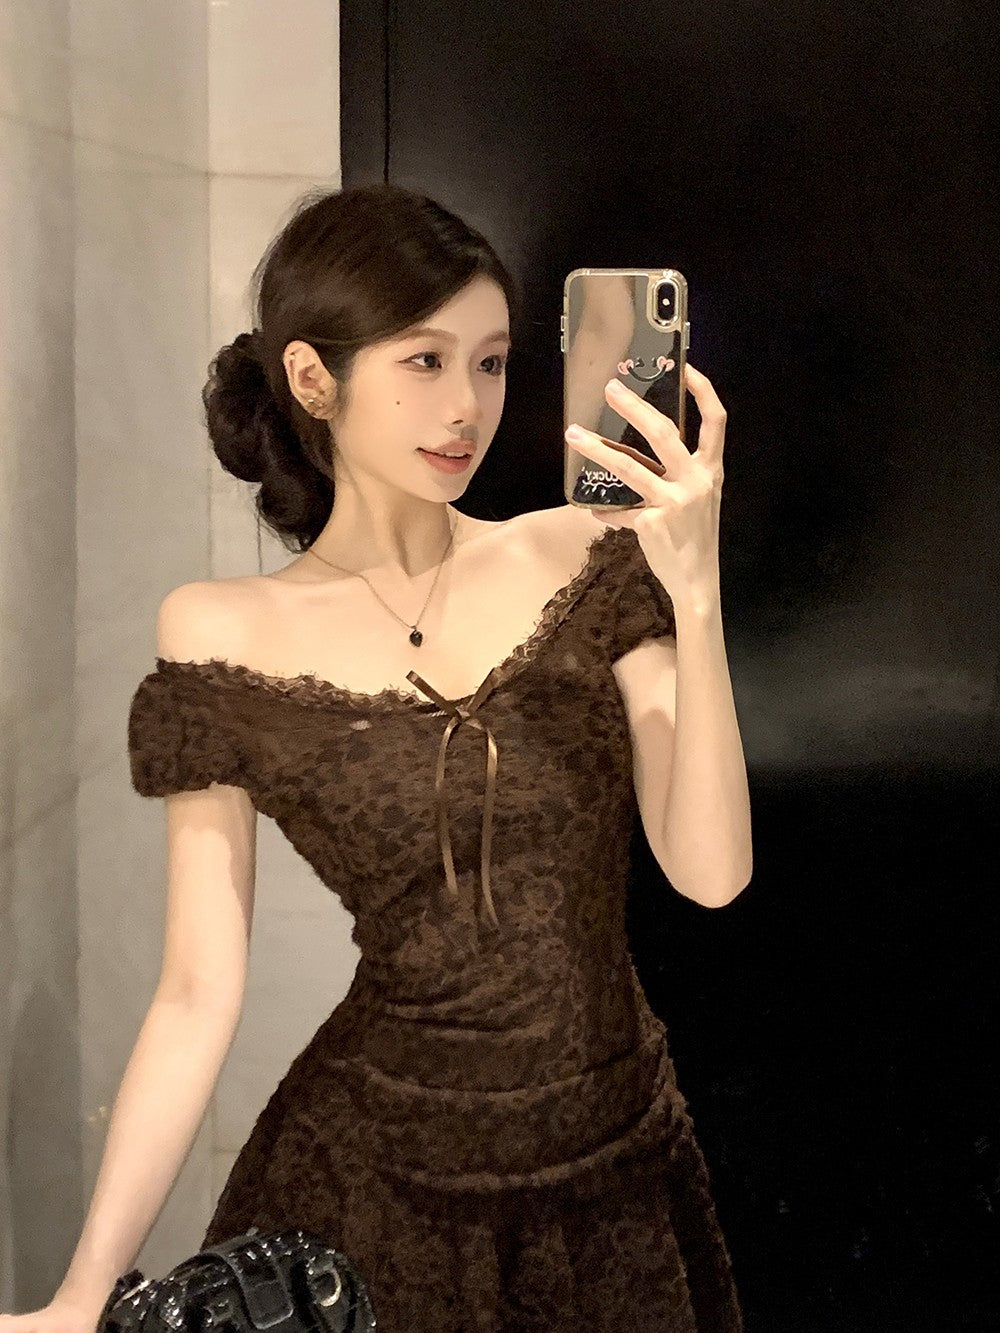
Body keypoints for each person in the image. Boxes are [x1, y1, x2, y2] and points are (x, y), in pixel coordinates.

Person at [3, 183, 750, 1332]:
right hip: (374, 1195)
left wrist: (693, 590)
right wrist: (81, 1292)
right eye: (424, 361)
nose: (466, 406)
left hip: (611, 1171)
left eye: (491, 363)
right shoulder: (220, 629)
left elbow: (710, 873)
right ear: (314, 378)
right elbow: (197, 990)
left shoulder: (584, 551)